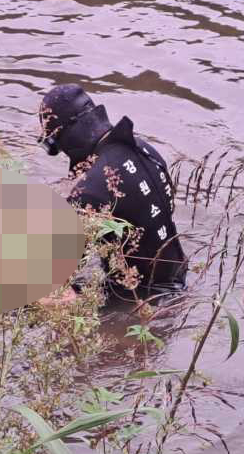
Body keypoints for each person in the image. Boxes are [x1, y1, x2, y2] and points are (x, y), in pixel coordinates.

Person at [38, 84, 187, 300]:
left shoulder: (90, 192)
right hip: (178, 277)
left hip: (138, 299)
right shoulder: (144, 148)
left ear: (66, 137)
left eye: (54, 146)